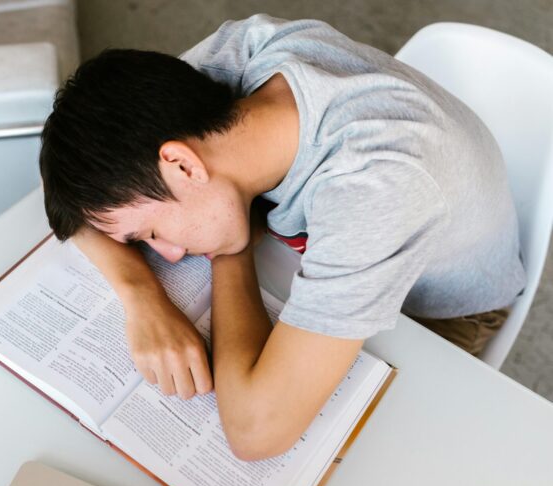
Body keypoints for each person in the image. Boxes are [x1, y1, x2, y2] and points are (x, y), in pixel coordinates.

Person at [38, 14, 526, 461]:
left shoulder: (377, 185)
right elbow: (69, 196)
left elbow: (254, 433)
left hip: (436, 310)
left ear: (183, 165)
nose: (164, 251)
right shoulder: (233, 60)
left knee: (367, 463)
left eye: (150, 231)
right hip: (336, 248)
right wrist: (141, 296)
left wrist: (229, 249)